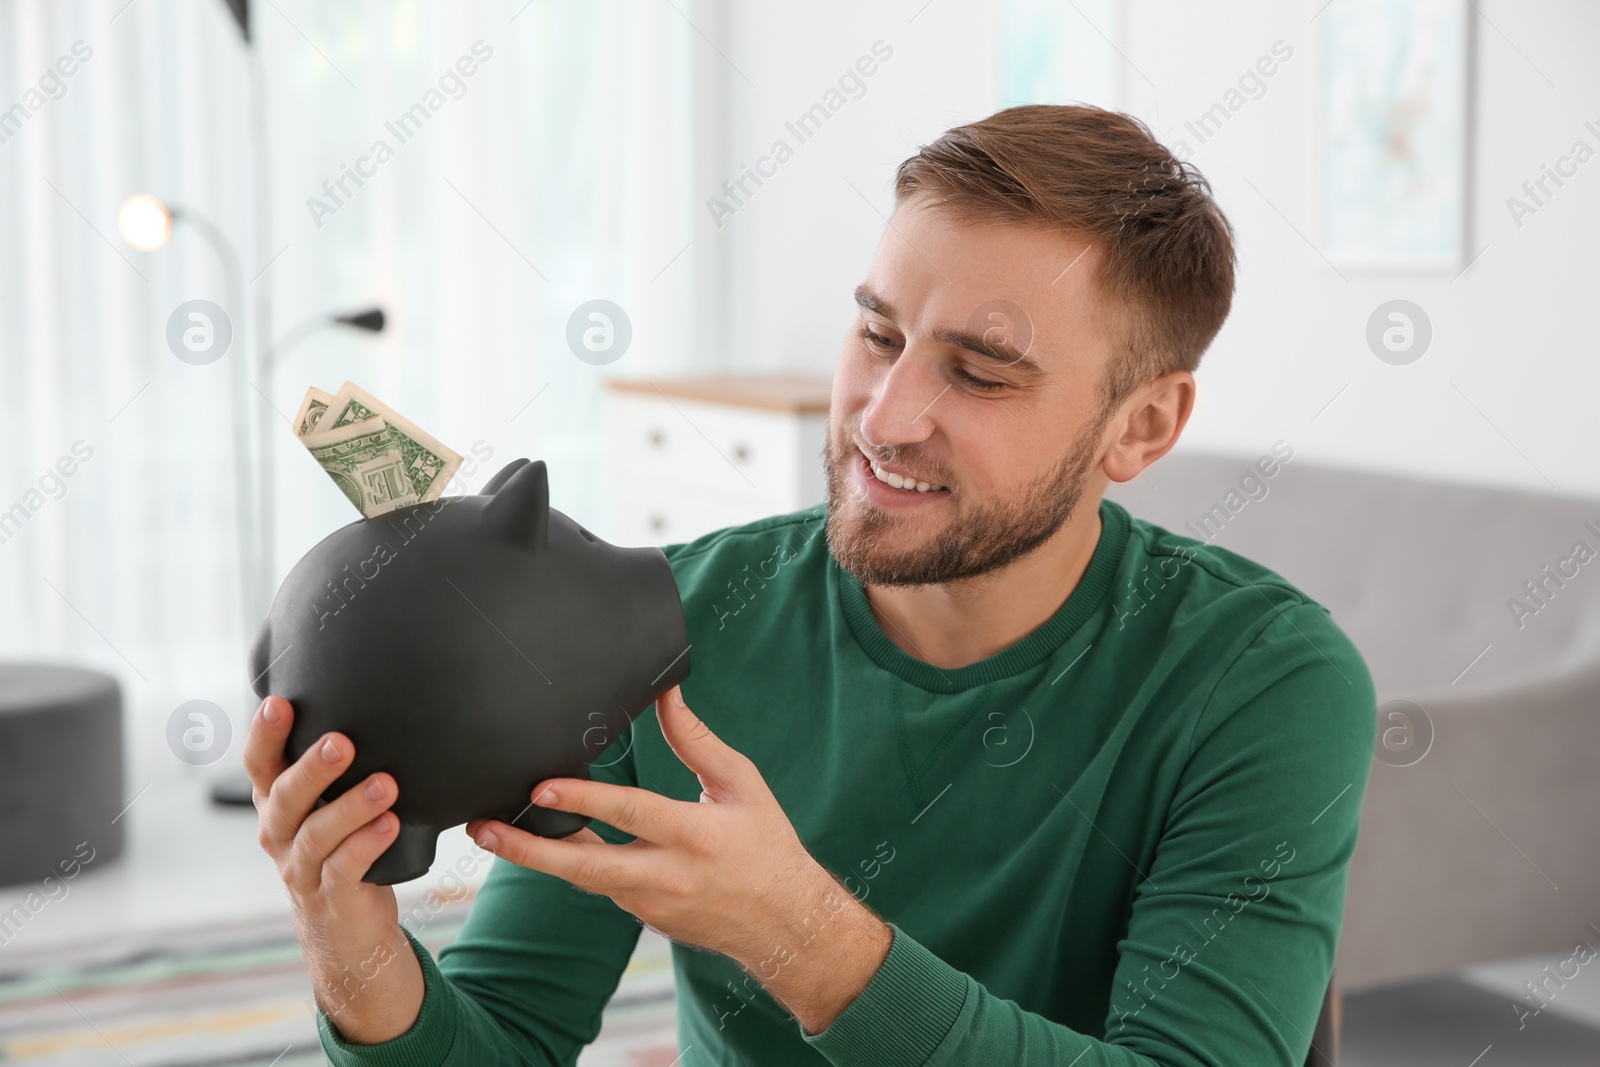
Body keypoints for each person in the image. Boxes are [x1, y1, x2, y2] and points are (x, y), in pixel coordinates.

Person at [247, 104, 1375, 1065]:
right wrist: (347, 936)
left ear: (1141, 425)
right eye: (877, 334)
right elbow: (504, 1034)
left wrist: (799, 933)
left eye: (978, 373)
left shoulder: (1262, 682)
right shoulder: (665, 629)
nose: (882, 419)